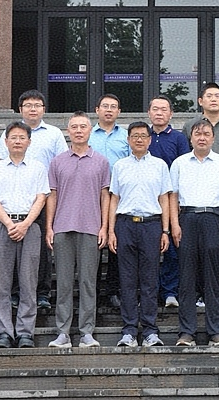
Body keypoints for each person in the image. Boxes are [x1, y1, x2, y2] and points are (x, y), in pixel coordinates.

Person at [0, 90, 67, 311]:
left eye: (37, 105)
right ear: (20, 109)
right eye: (28, 105)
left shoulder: (54, 134)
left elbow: (62, 164)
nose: (32, 109)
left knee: (41, 248)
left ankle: (42, 292)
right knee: (14, 251)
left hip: (44, 198)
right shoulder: (10, 133)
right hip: (14, 199)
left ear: (44, 109)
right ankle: (15, 292)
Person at [46, 112, 111, 349]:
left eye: (83, 126)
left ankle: (86, 332)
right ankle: (62, 332)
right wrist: (49, 227)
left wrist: (104, 226)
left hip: (91, 228)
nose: (79, 131)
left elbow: (105, 196)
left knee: (87, 283)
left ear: (90, 130)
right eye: (74, 127)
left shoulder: (101, 161)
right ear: (68, 131)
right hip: (62, 227)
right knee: (63, 284)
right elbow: (52, 195)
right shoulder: (58, 161)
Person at [0, 121, 50, 349]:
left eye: (22, 138)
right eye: (13, 137)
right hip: (2, 226)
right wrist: (9, 223)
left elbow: (41, 198)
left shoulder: (38, 168)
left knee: (28, 282)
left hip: (30, 226)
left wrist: (25, 224)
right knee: (0, 284)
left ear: (29, 142)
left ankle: (25, 333)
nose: (18, 141)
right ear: (6, 141)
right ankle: (4, 332)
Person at [170, 119, 219, 347]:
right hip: (186, 218)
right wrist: (174, 225)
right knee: (187, 277)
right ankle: (186, 332)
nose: (202, 138)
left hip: (214, 218)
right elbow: (173, 196)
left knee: (213, 277)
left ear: (213, 138)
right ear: (191, 138)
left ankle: (216, 331)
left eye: (206, 134)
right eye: (198, 134)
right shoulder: (179, 163)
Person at [109, 121, 171, 348]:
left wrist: (165, 231)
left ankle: (150, 331)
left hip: (151, 225)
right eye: (134, 136)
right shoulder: (120, 166)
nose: (139, 140)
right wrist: (111, 230)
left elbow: (164, 198)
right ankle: (129, 331)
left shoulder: (159, 165)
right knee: (127, 280)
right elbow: (114, 199)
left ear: (149, 139)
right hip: (125, 224)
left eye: (143, 136)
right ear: (128, 140)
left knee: (149, 280)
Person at [181, 82, 219, 308]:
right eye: (209, 96)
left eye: (217, 95)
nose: (213, 99)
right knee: (197, 251)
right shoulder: (190, 125)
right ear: (200, 101)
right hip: (197, 192)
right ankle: (199, 292)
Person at [147, 95, 190, 309]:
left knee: (172, 249)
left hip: (172, 200)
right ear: (149, 113)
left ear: (171, 114)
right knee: (149, 251)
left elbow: (185, 168)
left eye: (164, 109)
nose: (159, 113)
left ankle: (170, 291)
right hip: (147, 200)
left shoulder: (179, 138)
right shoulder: (142, 136)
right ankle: (151, 292)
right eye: (155, 109)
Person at [89, 93, 130, 310]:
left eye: (113, 107)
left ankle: (113, 290)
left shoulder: (125, 136)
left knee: (116, 245)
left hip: (119, 197)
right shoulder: (88, 135)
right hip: (91, 195)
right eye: (105, 106)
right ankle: (92, 292)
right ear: (97, 110)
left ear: (119, 112)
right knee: (93, 245)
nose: (109, 110)